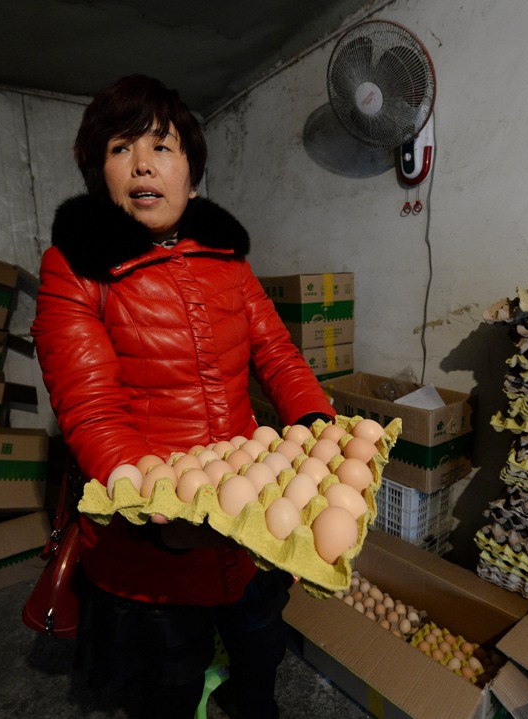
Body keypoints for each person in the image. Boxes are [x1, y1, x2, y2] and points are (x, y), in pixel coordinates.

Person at [30, 74, 335, 719]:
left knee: (260, 649)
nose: (142, 163)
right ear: (100, 177)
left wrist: (316, 427)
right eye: (120, 148)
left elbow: (278, 356)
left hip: (248, 524)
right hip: (153, 544)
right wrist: (159, 509)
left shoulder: (229, 262)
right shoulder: (75, 270)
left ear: (191, 176)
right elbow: (91, 409)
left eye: (161, 146)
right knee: (168, 680)